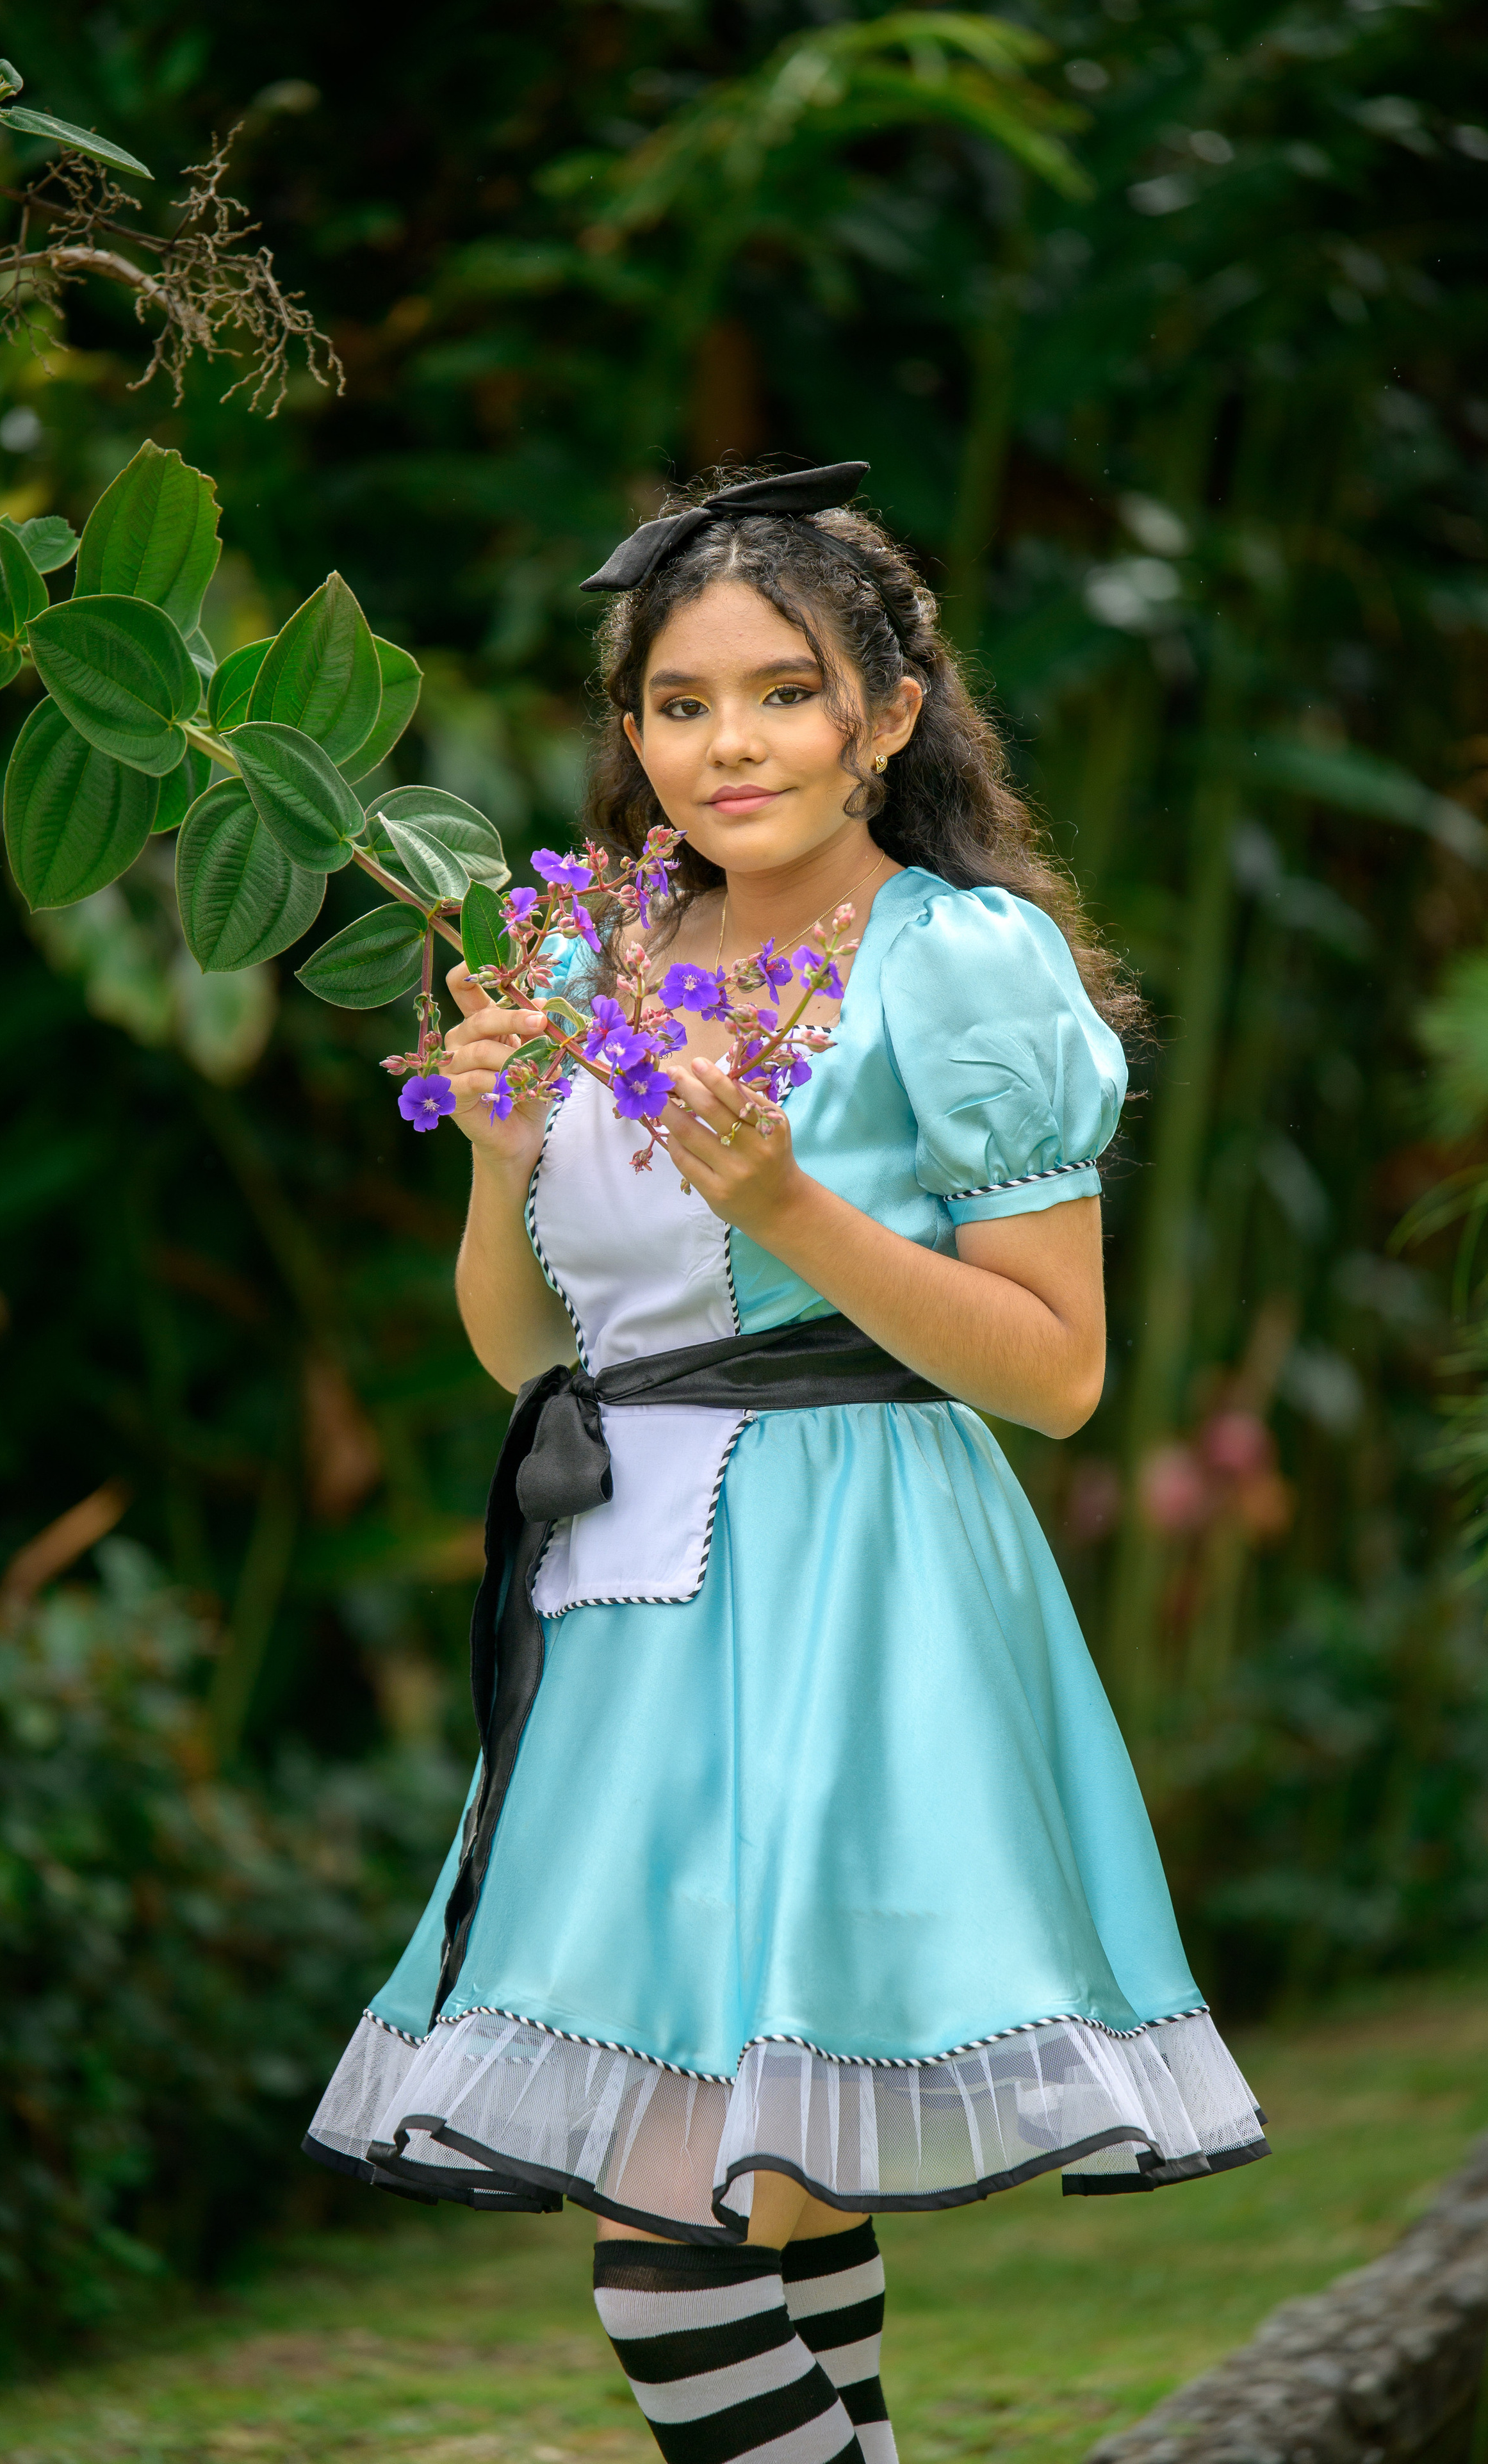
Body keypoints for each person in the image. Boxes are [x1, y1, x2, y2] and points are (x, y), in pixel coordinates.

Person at [305, 464, 1266, 2464]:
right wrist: (499, 1164)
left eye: (780, 692)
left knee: (669, 2246)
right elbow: (533, 1354)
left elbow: (1063, 1375)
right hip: (622, 1610)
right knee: (767, 2189)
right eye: (677, 703)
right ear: (633, 731)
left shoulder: (964, 964)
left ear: (888, 715)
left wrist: (801, 1208)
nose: (723, 744)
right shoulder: (597, 958)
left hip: (856, 1592)